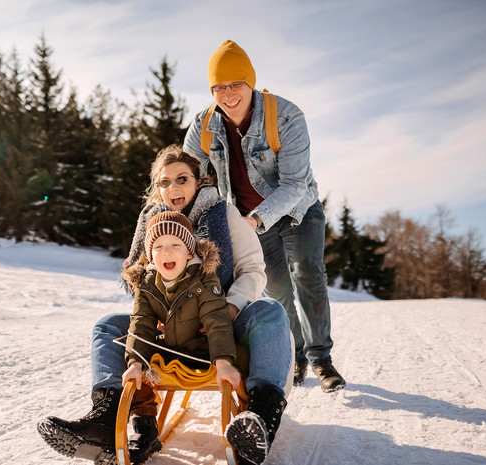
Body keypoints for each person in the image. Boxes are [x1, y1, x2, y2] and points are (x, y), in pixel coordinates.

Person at [38, 145, 293, 465]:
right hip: (171, 326)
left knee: (270, 311)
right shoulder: (151, 223)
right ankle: (106, 418)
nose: (173, 188)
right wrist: (157, 316)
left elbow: (253, 270)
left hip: (225, 318)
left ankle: (260, 416)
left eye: (181, 179)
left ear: (199, 182)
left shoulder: (223, 214)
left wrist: (229, 308)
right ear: (156, 187)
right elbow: (141, 283)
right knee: (108, 325)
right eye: (164, 182)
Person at [182, 39, 346, 393]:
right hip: (247, 219)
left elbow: (295, 183)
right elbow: (188, 173)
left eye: (235, 84)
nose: (227, 94)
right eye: (218, 87)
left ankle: (321, 358)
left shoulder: (286, 116)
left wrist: (254, 220)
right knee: (276, 290)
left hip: (298, 211)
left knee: (308, 277)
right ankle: (298, 355)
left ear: (250, 82)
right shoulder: (205, 125)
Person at [120, 210, 243, 461]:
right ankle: (144, 425)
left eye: (175, 244)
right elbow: (141, 323)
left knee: (242, 355)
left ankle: (248, 424)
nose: (167, 251)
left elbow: (217, 320)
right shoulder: (146, 283)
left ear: (189, 251)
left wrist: (223, 363)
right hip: (170, 349)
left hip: (202, 352)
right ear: (151, 255)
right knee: (137, 359)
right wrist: (134, 363)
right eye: (159, 246)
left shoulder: (205, 278)